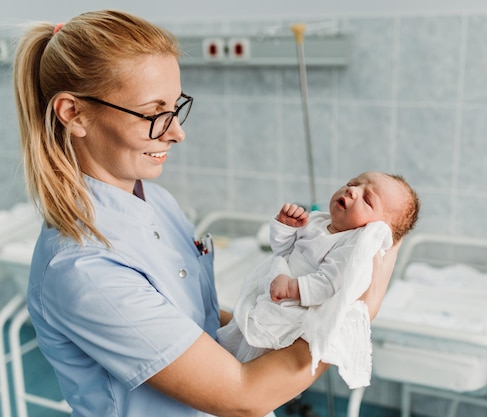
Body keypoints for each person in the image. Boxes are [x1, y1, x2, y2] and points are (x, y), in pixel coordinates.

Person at [13, 10, 400, 417]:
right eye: (153, 113)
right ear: (73, 114)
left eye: (176, 106)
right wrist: (353, 311)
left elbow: (195, 319)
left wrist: (281, 318)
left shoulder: (155, 201)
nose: (177, 132)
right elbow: (244, 396)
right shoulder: (84, 268)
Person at [218, 171, 419, 388]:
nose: (352, 190)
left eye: (367, 199)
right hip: (275, 294)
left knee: (245, 360)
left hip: (292, 307)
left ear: (377, 231)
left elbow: (328, 285)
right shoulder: (317, 221)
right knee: (229, 345)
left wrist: (291, 287)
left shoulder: (352, 248)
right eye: (353, 183)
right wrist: (285, 228)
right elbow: (284, 252)